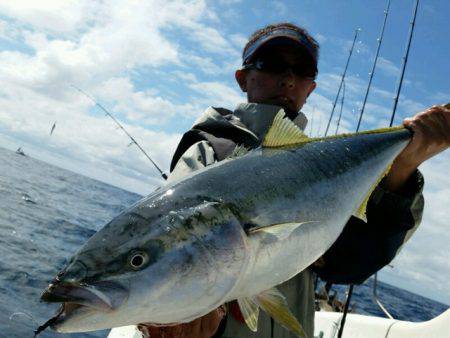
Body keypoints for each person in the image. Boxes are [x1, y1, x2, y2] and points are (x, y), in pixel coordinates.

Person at [140, 23, 450, 338]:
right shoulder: (209, 151)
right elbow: (169, 239)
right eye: (272, 65)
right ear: (243, 78)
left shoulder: (326, 171)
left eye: (301, 71)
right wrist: (171, 310)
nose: (288, 79)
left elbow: (348, 265)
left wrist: (404, 166)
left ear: (310, 87)